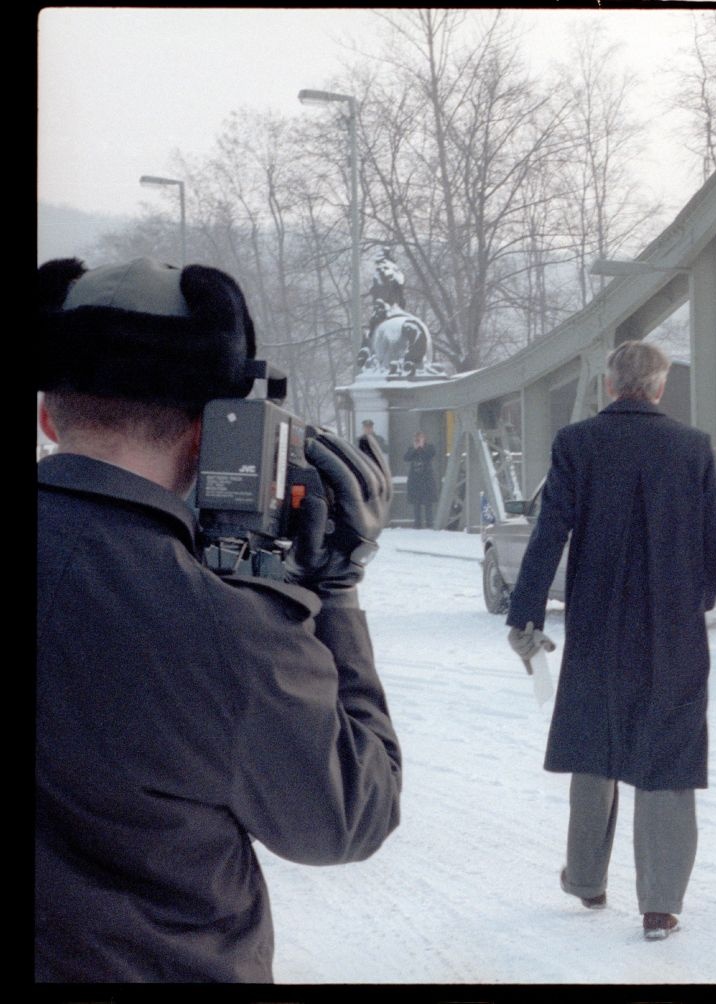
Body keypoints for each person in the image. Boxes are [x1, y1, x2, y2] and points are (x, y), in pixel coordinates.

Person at [36, 257, 402, 981]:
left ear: (47, 415)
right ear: (209, 435)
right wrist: (336, 593)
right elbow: (349, 815)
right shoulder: (226, 628)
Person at [505, 340, 716, 942]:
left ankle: (586, 879)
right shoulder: (693, 447)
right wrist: (696, 599)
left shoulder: (576, 443)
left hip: (599, 620)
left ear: (610, 386)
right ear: (659, 388)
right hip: (672, 627)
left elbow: (549, 532)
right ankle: (660, 904)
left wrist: (524, 614)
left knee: (595, 741)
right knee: (668, 753)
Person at [404, 430, 438, 529]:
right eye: (417, 437)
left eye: (421, 437)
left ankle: (429, 523)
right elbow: (406, 458)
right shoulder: (412, 448)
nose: (419, 439)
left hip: (426, 479)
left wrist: (422, 447)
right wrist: (415, 449)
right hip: (415, 479)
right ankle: (417, 524)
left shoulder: (429, 447)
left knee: (428, 503)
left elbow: (430, 455)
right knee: (416, 503)